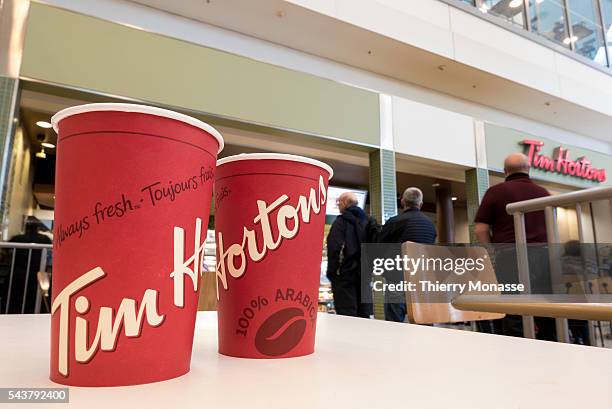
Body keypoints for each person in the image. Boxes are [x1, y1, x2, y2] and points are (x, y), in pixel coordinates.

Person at [474, 152, 556, 340]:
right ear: (528, 169)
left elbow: (480, 229)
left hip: (510, 257)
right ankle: (550, 354)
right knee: (546, 309)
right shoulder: (543, 193)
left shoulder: (495, 192)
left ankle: (517, 358)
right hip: (543, 257)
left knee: (514, 309)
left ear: (505, 171)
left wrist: (492, 250)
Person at [379, 187, 436, 322]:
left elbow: (379, 247)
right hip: (421, 278)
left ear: (403, 202)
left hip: (397, 277)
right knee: (422, 319)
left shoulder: (394, 222)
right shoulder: (430, 225)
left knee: (394, 320)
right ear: (420, 204)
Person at [326, 192, 375, 318]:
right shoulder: (370, 222)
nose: (338, 205)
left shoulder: (341, 222)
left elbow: (334, 248)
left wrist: (333, 273)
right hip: (365, 276)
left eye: (338, 202)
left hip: (345, 276)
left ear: (344, 203)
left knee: (347, 315)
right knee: (363, 315)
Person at [4, 217, 52, 314]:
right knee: (35, 302)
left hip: (16, 275)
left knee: (14, 301)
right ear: (37, 228)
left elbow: (6, 252)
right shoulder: (45, 240)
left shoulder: (17, 239)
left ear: (26, 227)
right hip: (37, 275)